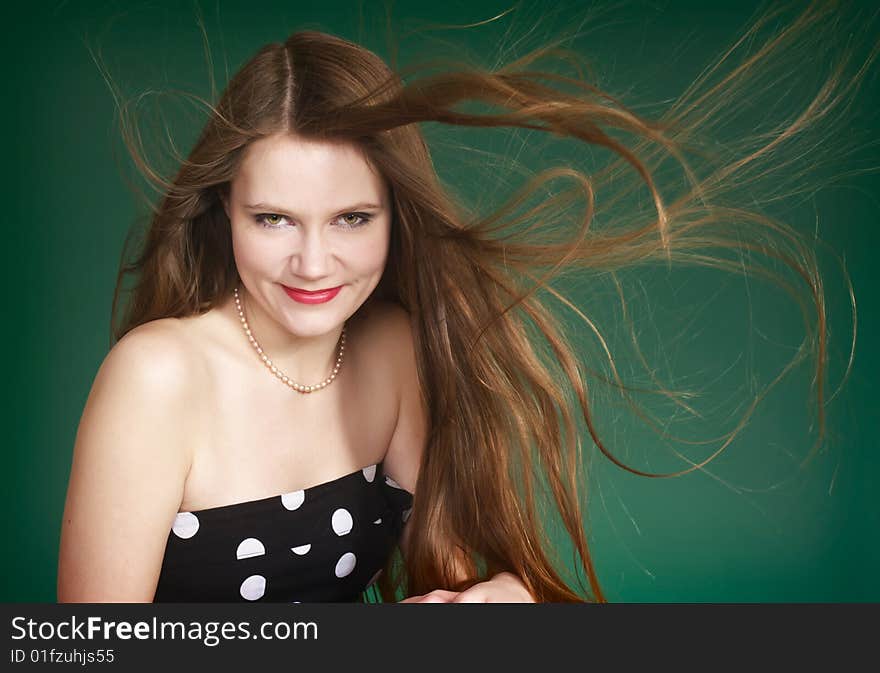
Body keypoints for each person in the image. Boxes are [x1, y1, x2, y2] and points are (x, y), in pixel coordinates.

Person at [56, 3, 872, 603]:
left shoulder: (393, 349)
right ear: (223, 212)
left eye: (352, 219)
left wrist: (500, 598)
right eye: (274, 219)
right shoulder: (157, 376)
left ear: (395, 220)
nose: (313, 261)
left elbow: (444, 579)